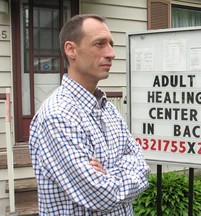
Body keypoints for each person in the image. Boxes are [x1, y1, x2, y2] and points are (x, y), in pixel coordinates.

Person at [29, 14, 150, 215]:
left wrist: (109, 175)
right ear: (71, 50)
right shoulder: (58, 116)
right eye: (99, 44)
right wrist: (126, 171)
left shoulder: (107, 107)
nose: (111, 53)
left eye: (111, 44)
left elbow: (140, 161)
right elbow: (102, 195)